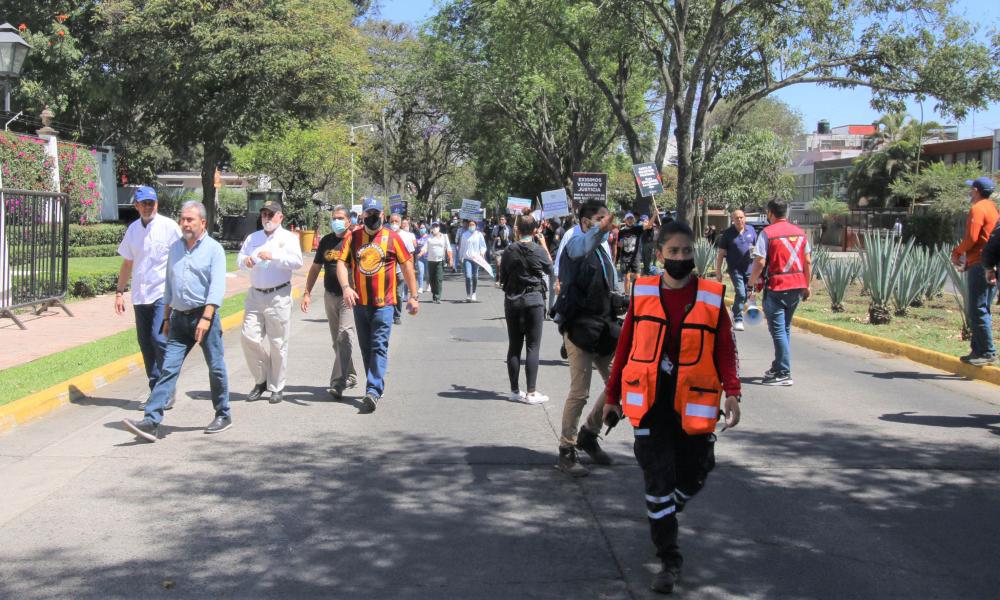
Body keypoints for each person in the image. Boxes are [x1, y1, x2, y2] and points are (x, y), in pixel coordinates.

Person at [603, 219, 741, 595]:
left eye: (686, 251)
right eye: (673, 251)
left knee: (697, 470)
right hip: (649, 405)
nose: (681, 258)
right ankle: (669, 558)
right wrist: (612, 398)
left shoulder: (712, 297)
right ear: (659, 253)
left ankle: (670, 505)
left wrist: (733, 392)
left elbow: (725, 349)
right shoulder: (643, 293)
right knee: (658, 481)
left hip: (694, 403)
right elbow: (626, 347)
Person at [122, 201, 231, 442]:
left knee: (215, 367)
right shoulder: (176, 248)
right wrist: (166, 317)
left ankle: (223, 413)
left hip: (205, 318)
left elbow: (216, 287)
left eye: (190, 220)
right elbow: (169, 285)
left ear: (203, 223)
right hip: (179, 319)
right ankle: (151, 421)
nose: (184, 224)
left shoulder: (214, 249)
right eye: (182, 219)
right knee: (168, 369)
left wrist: (206, 317)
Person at [551, 201, 619, 477]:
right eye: (600, 219)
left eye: (607, 220)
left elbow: (609, 283)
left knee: (621, 384)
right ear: (586, 221)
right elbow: (581, 249)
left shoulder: (603, 248)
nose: (606, 224)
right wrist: (600, 231)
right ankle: (567, 451)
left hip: (604, 326)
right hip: (579, 327)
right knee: (580, 393)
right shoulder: (575, 242)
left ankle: (588, 434)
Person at [337, 198, 420, 413]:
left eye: (376, 214)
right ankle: (375, 385)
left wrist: (413, 295)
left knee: (378, 346)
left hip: (385, 304)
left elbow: (407, 265)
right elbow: (341, 262)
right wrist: (346, 287)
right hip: (360, 303)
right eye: (369, 214)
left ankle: (373, 390)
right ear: (363, 215)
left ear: (382, 215)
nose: (372, 218)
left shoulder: (392, 238)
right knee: (366, 349)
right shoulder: (353, 237)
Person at [114, 186, 182, 410]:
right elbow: (127, 263)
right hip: (140, 295)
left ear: (157, 204)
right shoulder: (133, 229)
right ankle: (156, 390)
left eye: (151, 203)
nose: (147, 207)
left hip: (162, 294)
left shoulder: (169, 227)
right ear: (136, 206)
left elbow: (183, 256)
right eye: (143, 204)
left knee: (159, 339)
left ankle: (167, 390)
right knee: (145, 344)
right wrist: (119, 292)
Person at [237, 200, 304, 404]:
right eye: (264, 214)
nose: (267, 218)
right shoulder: (253, 238)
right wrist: (246, 262)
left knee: (278, 343)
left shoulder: (289, 238)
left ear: (280, 217)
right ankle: (261, 378)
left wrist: (274, 256)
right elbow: (240, 260)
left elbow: (297, 262)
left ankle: (277, 386)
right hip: (255, 295)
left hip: (278, 295)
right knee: (248, 337)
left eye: (271, 214)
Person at [748, 199, 812, 386]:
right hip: (796, 285)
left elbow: (759, 262)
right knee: (784, 329)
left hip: (777, 285)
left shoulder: (767, 233)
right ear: (787, 212)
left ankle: (783, 372)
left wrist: (751, 283)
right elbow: (807, 261)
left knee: (777, 330)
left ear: (770, 213)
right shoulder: (800, 233)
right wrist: (807, 285)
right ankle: (778, 366)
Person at [301, 205, 357, 398]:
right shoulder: (326, 240)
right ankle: (350, 374)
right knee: (337, 341)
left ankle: (338, 382)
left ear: (349, 221)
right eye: (334, 218)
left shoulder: (355, 240)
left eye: (341, 218)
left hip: (349, 296)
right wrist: (307, 292)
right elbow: (315, 268)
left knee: (344, 335)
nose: (337, 221)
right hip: (329, 295)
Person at [500, 212, 552, 404]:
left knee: (514, 345)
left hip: (513, 300)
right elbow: (550, 268)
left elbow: (502, 275)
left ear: (518, 230)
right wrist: (544, 244)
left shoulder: (509, 250)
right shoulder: (538, 250)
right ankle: (531, 392)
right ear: (535, 230)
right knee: (533, 346)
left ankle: (514, 390)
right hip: (534, 300)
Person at [951, 176, 998, 365]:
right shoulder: (993, 208)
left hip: (979, 262)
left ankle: (987, 351)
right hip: (992, 262)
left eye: (972, 189)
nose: (970, 193)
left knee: (977, 308)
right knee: (983, 307)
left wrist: (958, 251)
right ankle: (977, 350)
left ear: (977, 191)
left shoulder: (977, 209)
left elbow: (971, 237)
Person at [714, 209, 757, 332]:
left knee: (747, 294)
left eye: (741, 217)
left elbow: (756, 249)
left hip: (749, 268)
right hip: (735, 269)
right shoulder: (727, 234)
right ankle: (738, 318)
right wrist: (718, 271)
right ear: (732, 220)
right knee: (741, 293)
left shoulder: (751, 231)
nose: (739, 220)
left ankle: (735, 309)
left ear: (745, 218)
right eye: (736, 218)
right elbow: (721, 253)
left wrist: (758, 268)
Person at [391, 214, 417, 325]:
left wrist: (411, 269)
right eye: (392, 221)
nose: (394, 223)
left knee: (398, 293)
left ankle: (396, 315)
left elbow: (410, 255)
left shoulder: (406, 236)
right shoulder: (385, 235)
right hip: (388, 271)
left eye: (396, 221)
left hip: (400, 271)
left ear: (401, 223)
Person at [617, 213, 652, 295]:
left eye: (631, 218)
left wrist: (654, 214)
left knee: (638, 277)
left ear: (634, 220)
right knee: (627, 278)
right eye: (628, 218)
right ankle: (627, 295)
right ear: (625, 220)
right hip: (625, 257)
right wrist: (620, 244)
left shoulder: (637, 228)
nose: (630, 220)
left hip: (635, 256)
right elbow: (618, 243)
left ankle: (639, 294)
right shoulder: (621, 231)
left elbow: (649, 225)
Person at [421, 222, 452, 303]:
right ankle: (434, 294)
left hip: (440, 260)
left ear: (439, 227)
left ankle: (438, 297)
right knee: (432, 279)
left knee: (438, 278)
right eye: (433, 226)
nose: (435, 228)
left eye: (436, 226)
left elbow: (448, 248)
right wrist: (421, 253)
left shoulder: (444, 237)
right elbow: (425, 247)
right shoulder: (429, 237)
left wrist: (450, 258)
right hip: (430, 260)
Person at [459, 219, 488, 302]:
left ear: (476, 226)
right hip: (467, 258)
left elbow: (483, 246)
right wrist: (461, 257)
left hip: (476, 259)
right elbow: (462, 247)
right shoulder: (464, 235)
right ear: (468, 226)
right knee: (468, 276)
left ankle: (474, 293)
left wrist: (482, 253)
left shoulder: (479, 235)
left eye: (473, 225)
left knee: (475, 276)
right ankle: (468, 294)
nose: (472, 226)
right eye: (470, 225)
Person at [492, 215, 514, 287]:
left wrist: (514, 231)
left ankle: (503, 280)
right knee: (498, 264)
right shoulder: (496, 228)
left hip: (506, 248)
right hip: (497, 249)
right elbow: (492, 236)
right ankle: (498, 279)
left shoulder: (508, 228)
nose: (501, 221)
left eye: (502, 219)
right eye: (500, 219)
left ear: (505, 221)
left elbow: (511, 237)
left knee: (504, 265)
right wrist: (496, 238)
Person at [414, 221, 429, 294]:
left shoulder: (429, 237)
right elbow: (415, 246)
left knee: (427, 272)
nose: (422, 229)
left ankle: (428, 285)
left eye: (423, 228)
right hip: (419, 257)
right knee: (420, 271)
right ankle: (420, 287)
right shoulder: (417, 237)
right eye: (420, 228)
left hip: (427, 257)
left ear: (426, 228)